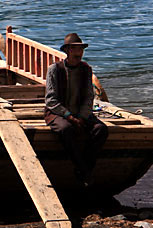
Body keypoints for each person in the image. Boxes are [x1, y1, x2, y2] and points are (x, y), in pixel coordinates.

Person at [44, 32, 109, 187]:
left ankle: (83, 168)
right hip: (59, 113)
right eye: (75, 49)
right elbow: (50, 100)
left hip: (81, 114)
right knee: (66, 130)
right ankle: (84, 171)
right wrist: (69, 116)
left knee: (101, 129)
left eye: (81, 49)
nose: (79, 53)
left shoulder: (86, 69)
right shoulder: (55, 69)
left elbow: (88, 97)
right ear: (67, 51)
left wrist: (81, 116)